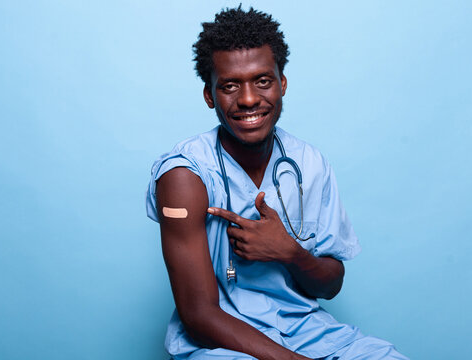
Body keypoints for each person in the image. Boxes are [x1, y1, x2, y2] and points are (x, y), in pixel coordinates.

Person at [146, 6, 408, 360]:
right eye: (229, 86)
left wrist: (290, 252)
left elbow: (330, 285)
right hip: (222, 344)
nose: (249, 98)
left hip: (310, 334)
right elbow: (198, 316)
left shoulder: (310, 163)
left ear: (282, 83)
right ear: (209, 95)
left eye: (263, 81)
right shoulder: (183, 177)